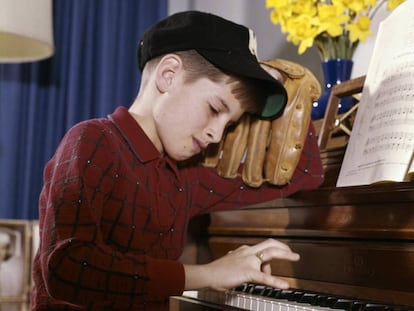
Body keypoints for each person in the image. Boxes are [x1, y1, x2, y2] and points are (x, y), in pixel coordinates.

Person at [31, 10, 324, 310]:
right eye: (214, 109)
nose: (217, 134)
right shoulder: (92, 141)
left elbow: (303, 176)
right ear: (168, 75)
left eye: (231, 124)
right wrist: (207, 274)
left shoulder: (186, 176)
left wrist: (299, 97)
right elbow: (67, 269)